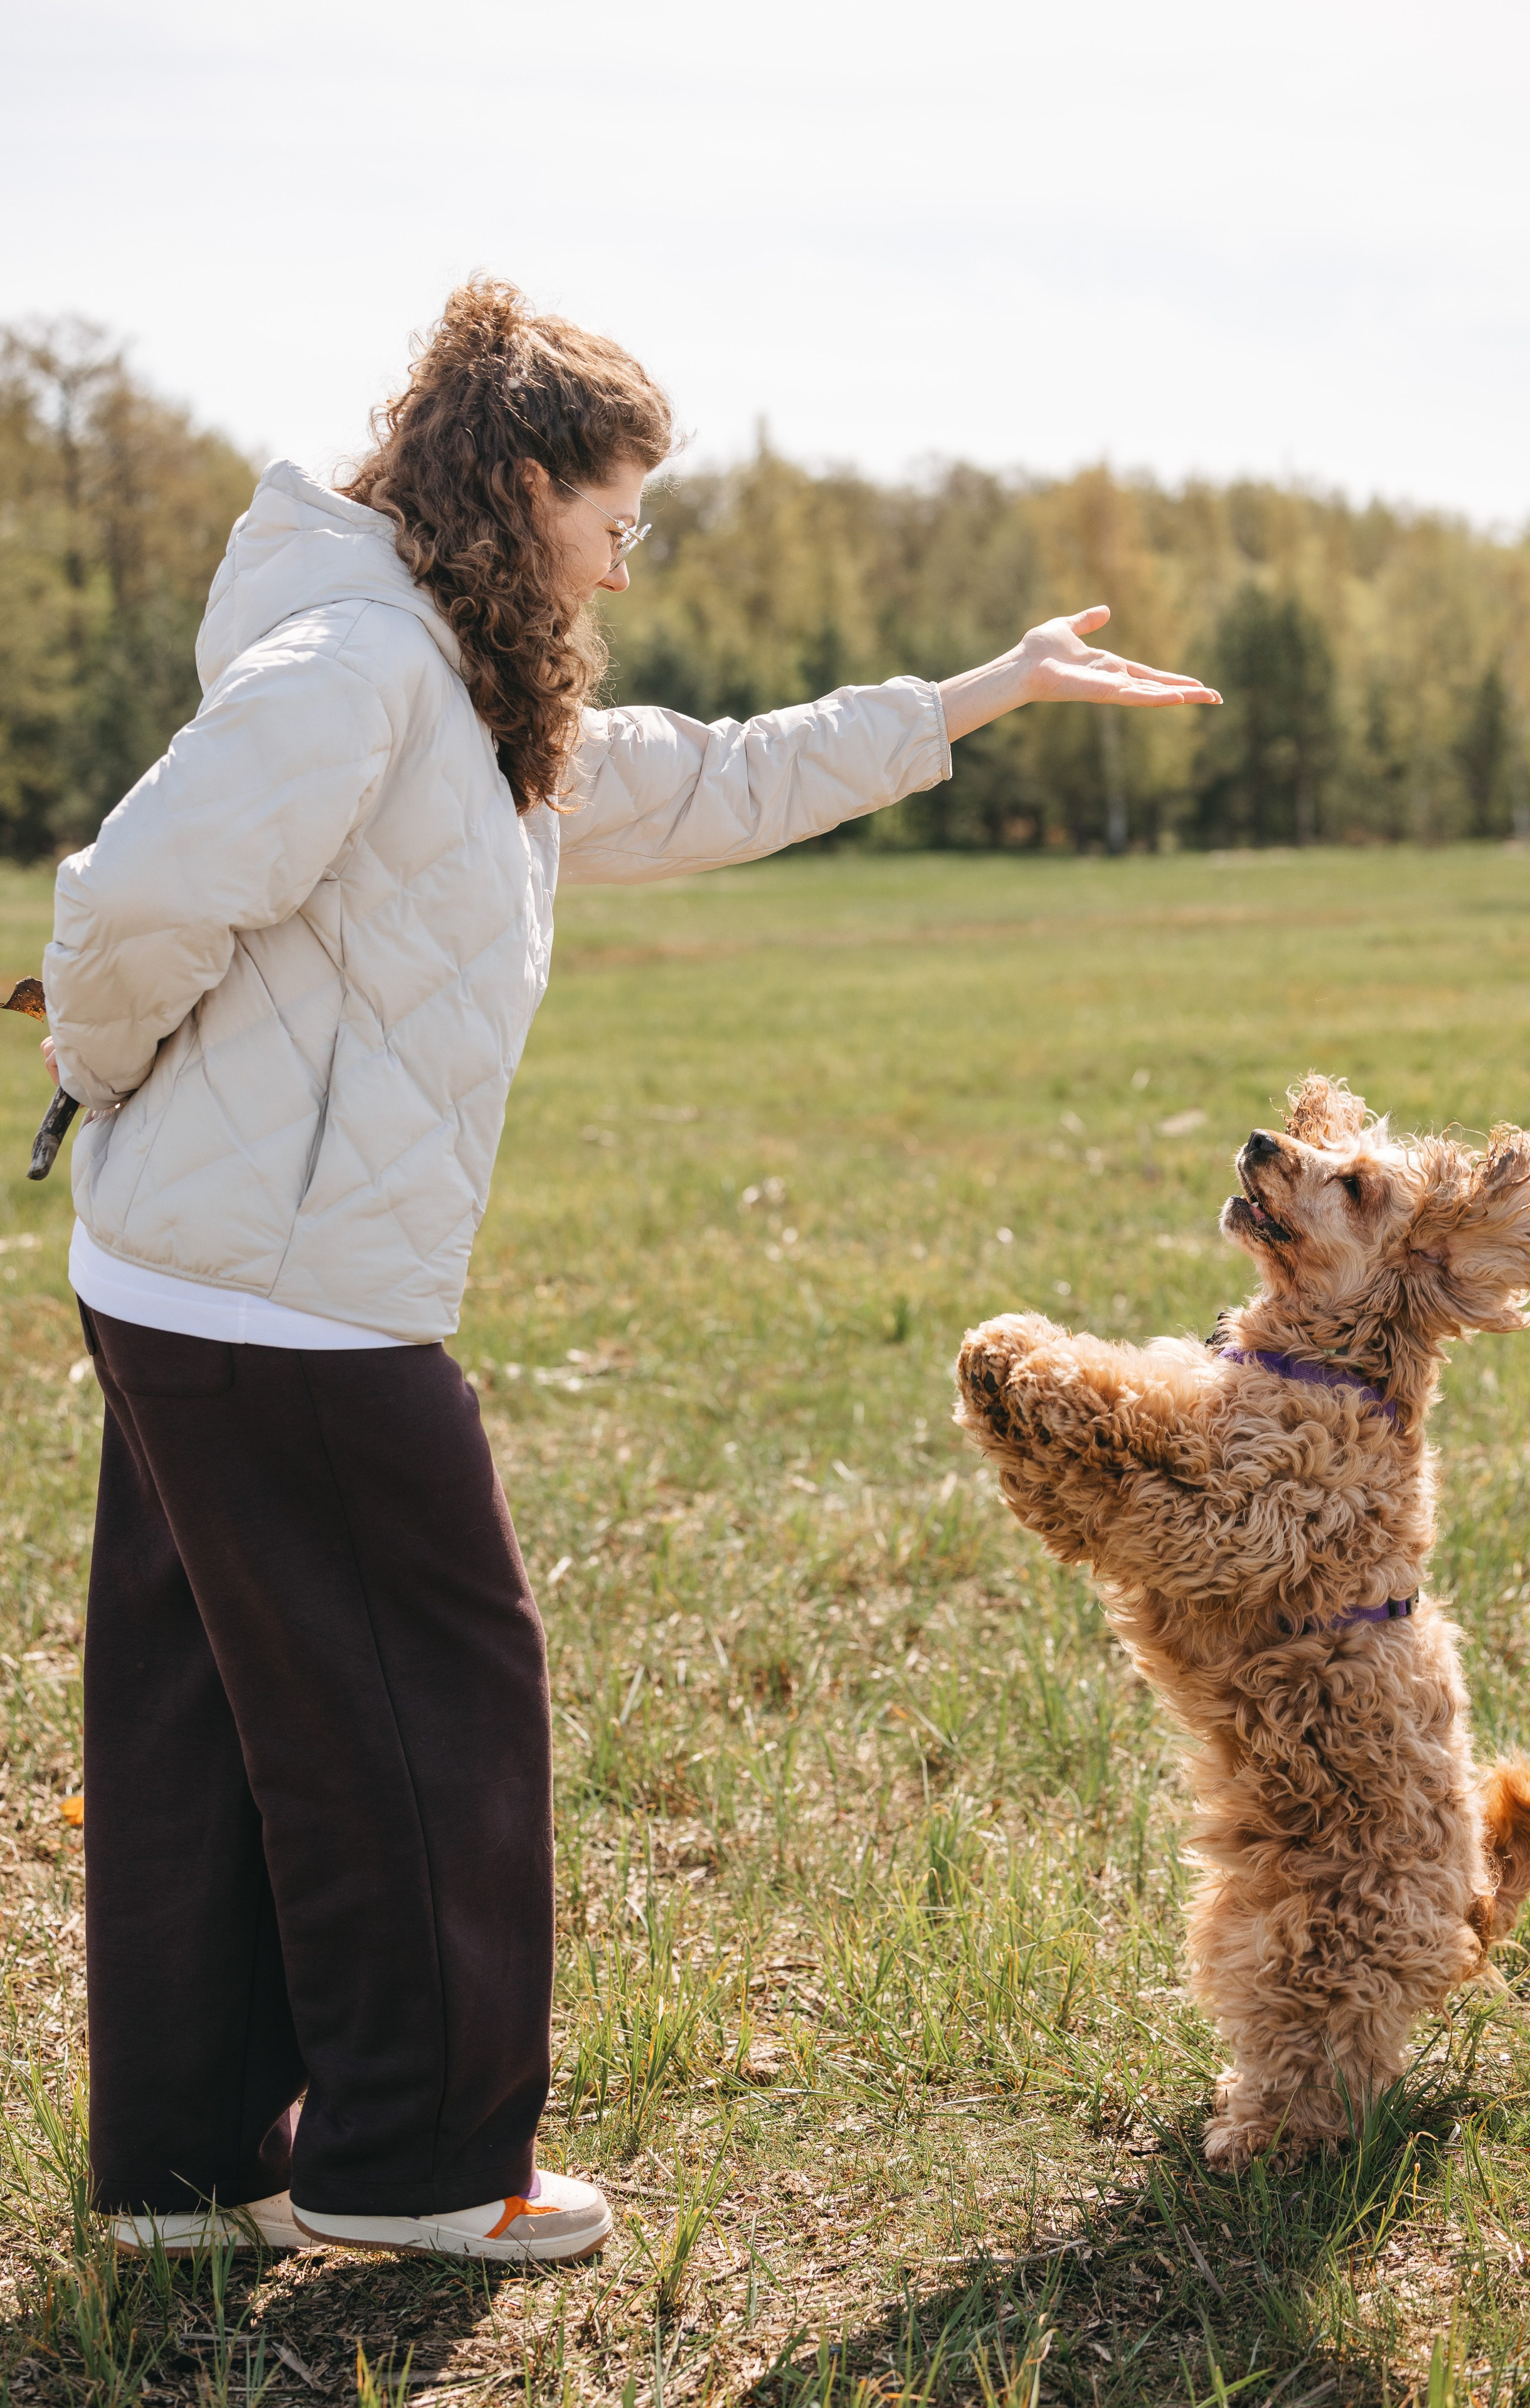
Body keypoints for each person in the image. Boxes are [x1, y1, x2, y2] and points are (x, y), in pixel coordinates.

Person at [41, 279, 1219, 2264]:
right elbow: (129, 901)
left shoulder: (470, 682)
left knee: (215, 1715)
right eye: (617, 507)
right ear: (515, 484)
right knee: (438, 1704)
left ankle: (184, 2174)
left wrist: (977, 696)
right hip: (282, 1299)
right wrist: (103, 1065)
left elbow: (722, 777)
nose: (628, 548)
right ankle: (414, 2173)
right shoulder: (355, 667)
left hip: (202, 1279)